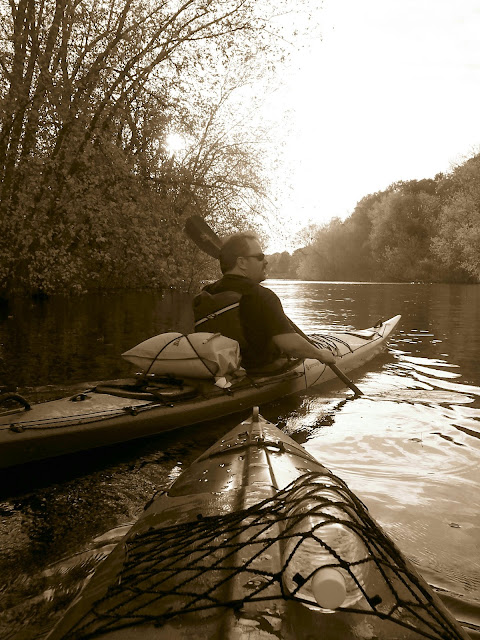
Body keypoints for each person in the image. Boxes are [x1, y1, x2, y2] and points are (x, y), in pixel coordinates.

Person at [193, 232, 337, 373]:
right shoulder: (262, 296)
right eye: (260, 257)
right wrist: (319, 354)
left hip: (220, 370)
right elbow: (290, 345)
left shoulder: (206, 292)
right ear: (241, 262)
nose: (266, 261)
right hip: (260, 371)